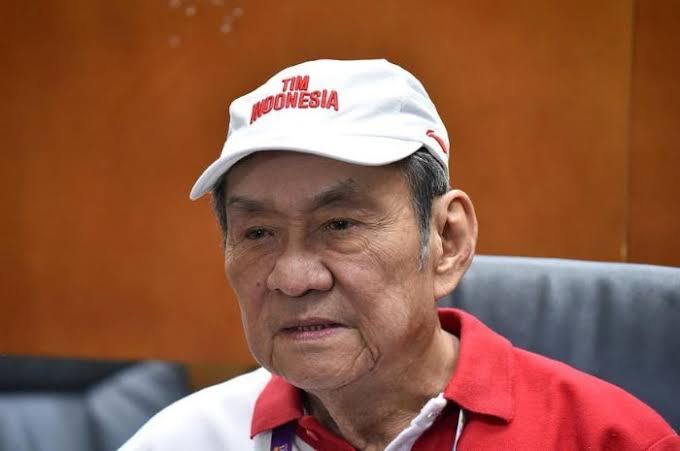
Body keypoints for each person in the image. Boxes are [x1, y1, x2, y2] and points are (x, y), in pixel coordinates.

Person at [120, 59, 679, 451]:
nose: (293, 277)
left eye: (339, 225)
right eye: (258, 233)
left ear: (447, 241)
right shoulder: (185, 440)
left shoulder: (604, 438)